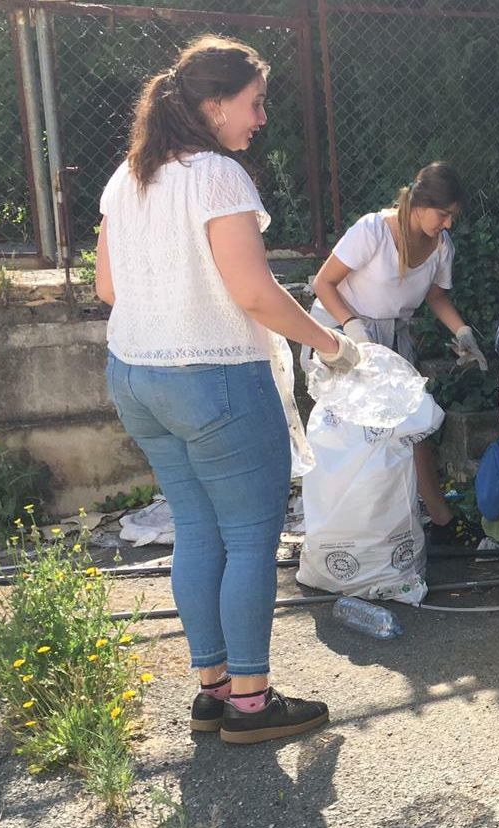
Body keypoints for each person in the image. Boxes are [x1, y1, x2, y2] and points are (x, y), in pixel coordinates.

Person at [94, 35, 360, 745]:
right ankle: (252, 703)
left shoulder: (129, 178)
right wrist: (334, 345)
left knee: (198, 530)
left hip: (136, 377)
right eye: (255, 103)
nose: (261, 119)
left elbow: (107, 287)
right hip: (214, 380)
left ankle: (212, 691)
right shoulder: (216, 176)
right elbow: (255, 294)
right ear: (213, 105)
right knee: (248, 540)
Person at [308, 162, 487, 545]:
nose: (448, 224)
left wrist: (462, 330)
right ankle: (353, 534)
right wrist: (351, 330)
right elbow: (323, 283)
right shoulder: (373, 230)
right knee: (357, 435)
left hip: (390, 337)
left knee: (414, 421)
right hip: (341, 333)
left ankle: (437, 520)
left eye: (453, 216)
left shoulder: (440, 246)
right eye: (443, 215)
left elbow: (436, 296)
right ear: (420, 204)